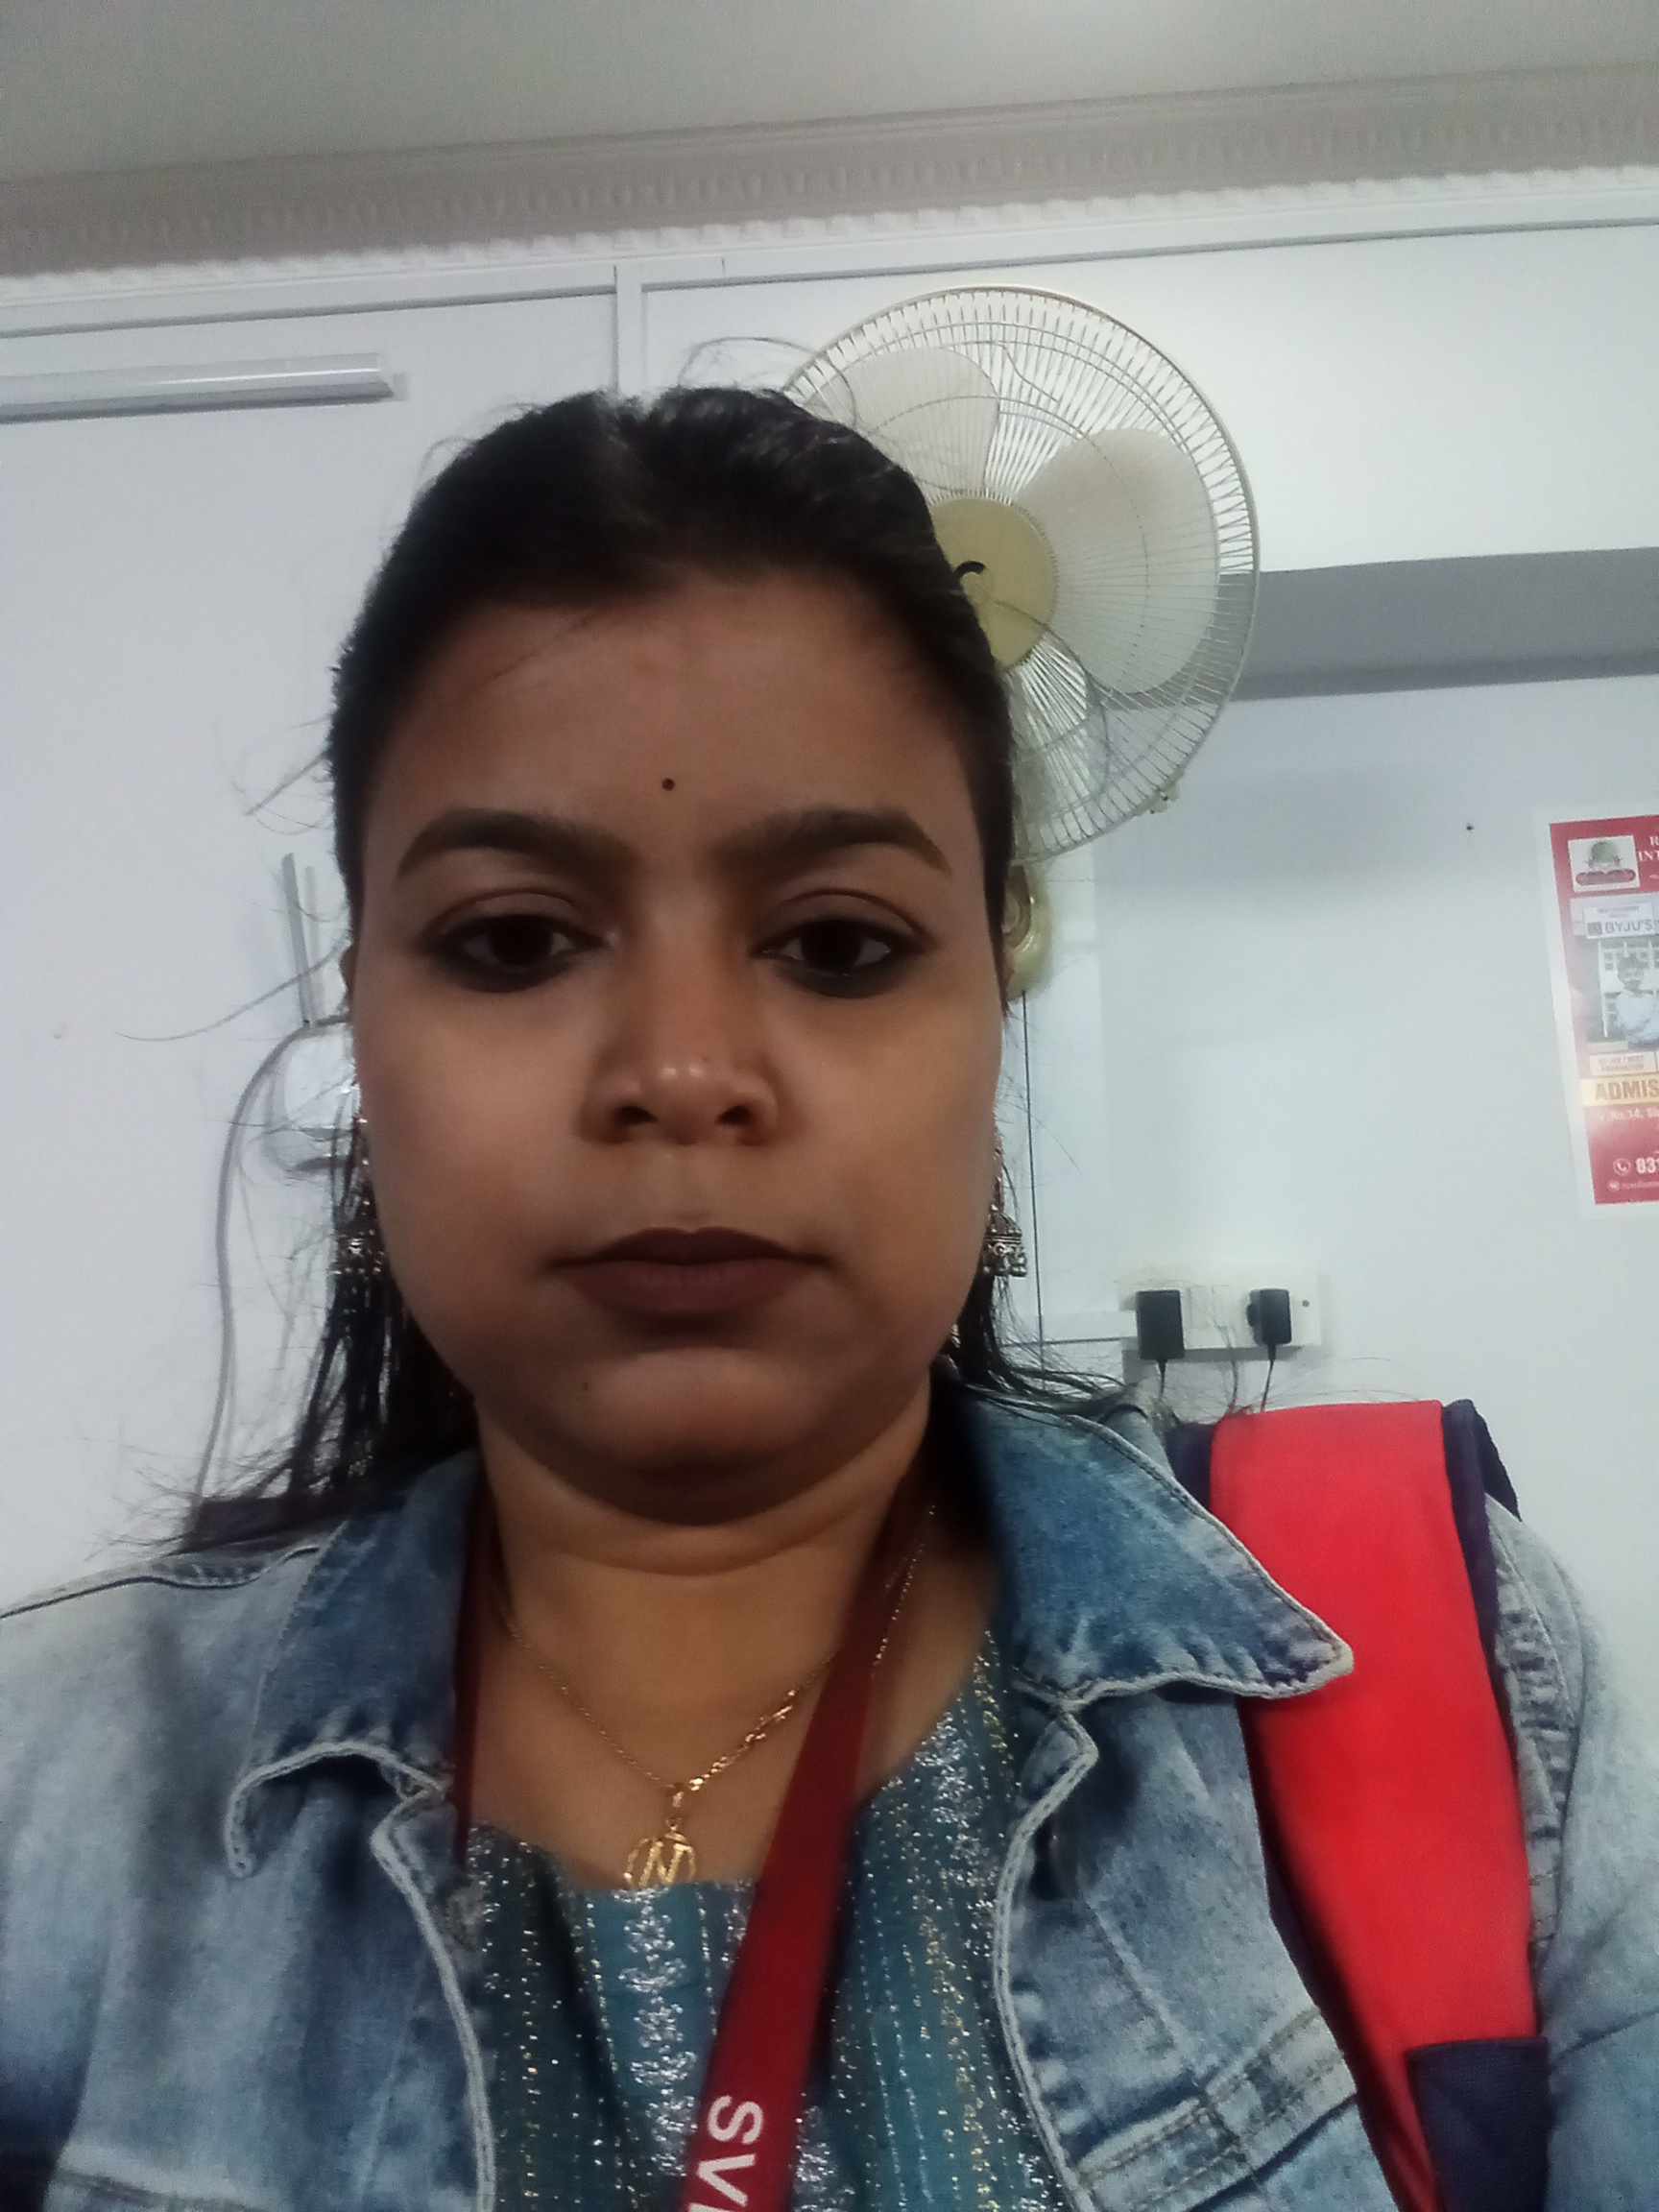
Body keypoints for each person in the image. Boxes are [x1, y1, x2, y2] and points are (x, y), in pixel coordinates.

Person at [2, 386, 1656, 2211]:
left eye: (840, 944)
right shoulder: (56, 1799)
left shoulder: (1450, 1670)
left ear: (994, 1001)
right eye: (515, 940)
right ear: (362, 1015)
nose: (684, 1072)